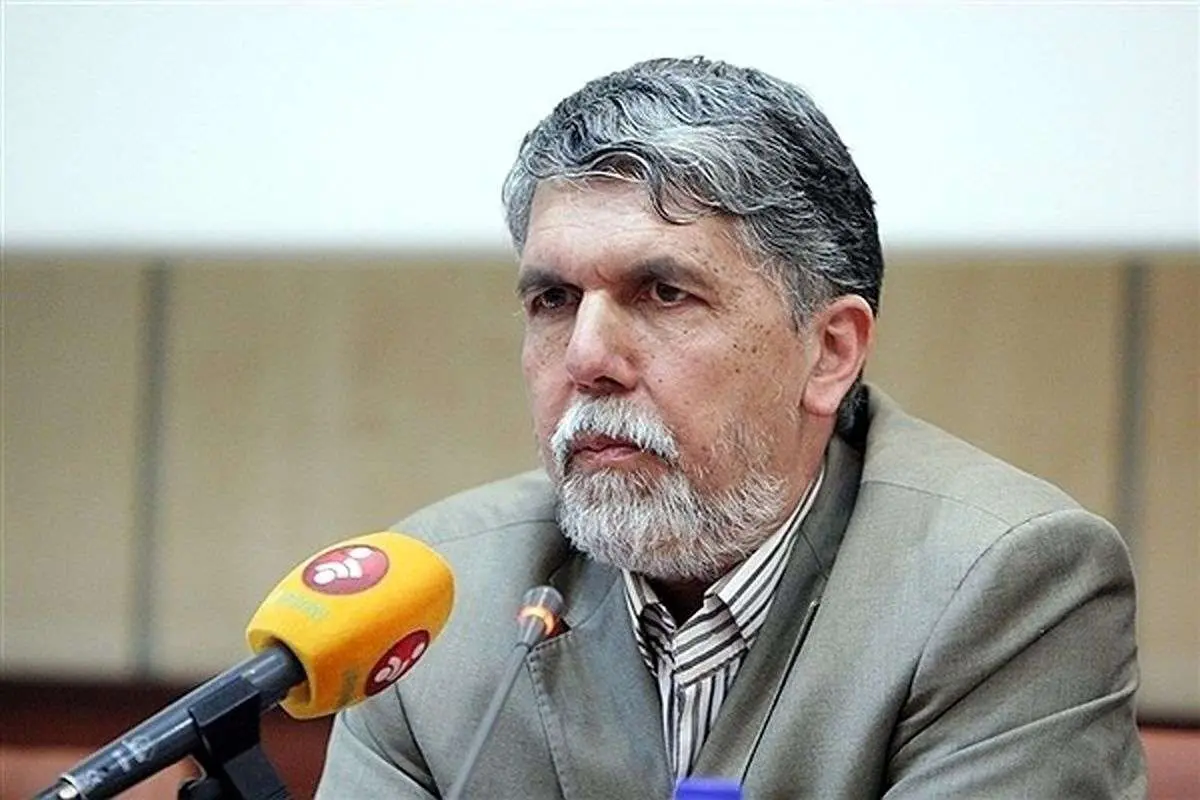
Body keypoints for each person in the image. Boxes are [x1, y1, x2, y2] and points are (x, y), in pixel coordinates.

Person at [316, 57, 1145, 798]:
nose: (587, 357)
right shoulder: (434, 601)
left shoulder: (1002, 582)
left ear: (829, 351)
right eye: (554, 300)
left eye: (663, 293)